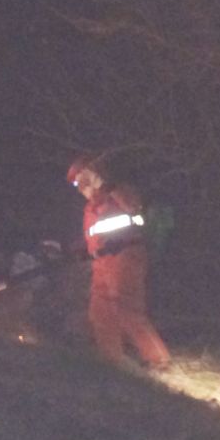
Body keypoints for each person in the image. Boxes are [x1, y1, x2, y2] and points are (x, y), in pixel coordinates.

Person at [67, 156, 172, 370]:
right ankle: (111, 361)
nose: (80, 186)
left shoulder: (118, 192)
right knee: (100, 311)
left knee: (127, 306)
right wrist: (82, 249)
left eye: (81, 178)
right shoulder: (90, 207)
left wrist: (107, 187)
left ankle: (158, 360)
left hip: (126, 255)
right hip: (102, 261)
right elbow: (95, 235)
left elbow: (134, 210)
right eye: (76, 183)